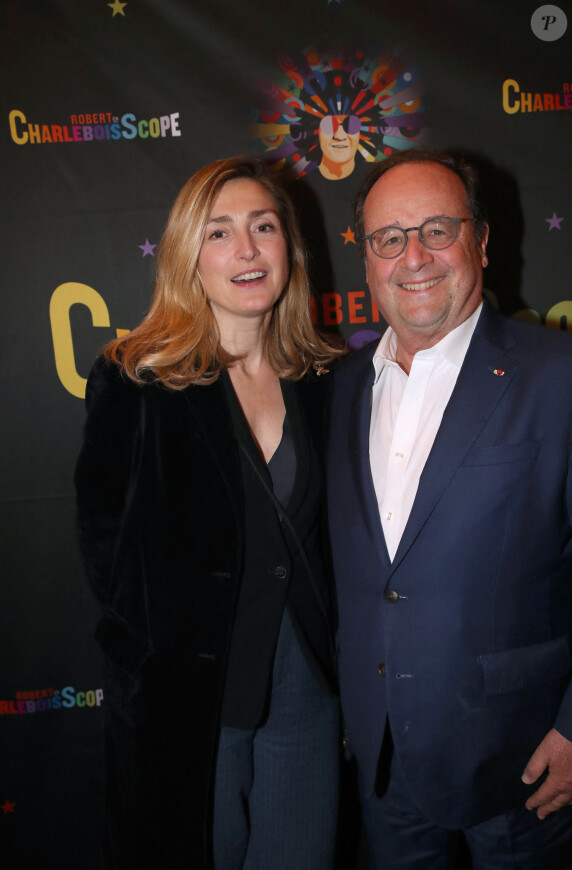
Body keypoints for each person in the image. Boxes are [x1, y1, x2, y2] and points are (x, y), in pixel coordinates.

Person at [75, 156, 344, 870]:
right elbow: (103, 544)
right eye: (220, 233)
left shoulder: (325, 378)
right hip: (187, 705)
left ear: (291, 245)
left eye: (264, 226)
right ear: (189, 256)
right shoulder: (136, 376)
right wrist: (150, 657)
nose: (248, 250)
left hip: (304, 697)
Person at [327, 148, 572, 868]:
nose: (414, 257)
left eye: (438, 229)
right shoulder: (345, 388)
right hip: (383, 763)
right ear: (367, 258)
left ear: (483, 241)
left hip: (525, 765)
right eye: (389, 238)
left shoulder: (557, 376)